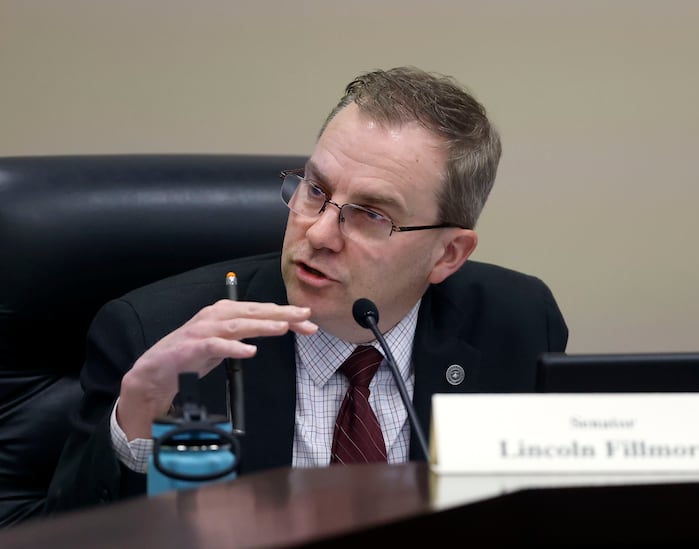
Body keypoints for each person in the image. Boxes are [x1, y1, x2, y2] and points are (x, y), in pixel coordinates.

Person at [46, 66, 568, 512]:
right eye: (315, 190)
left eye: (369, 214)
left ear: (447, 254)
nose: (317, 232)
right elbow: (64, 538)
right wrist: (137, 418)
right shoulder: (161, 337)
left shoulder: (515, 322)